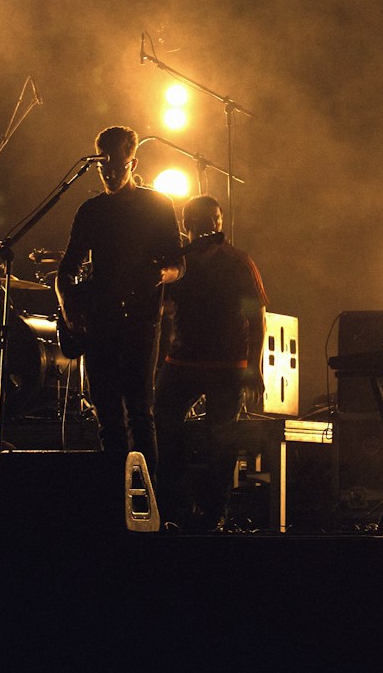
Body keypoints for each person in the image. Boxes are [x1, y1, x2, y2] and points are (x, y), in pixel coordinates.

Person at [56, 126, 183, 470]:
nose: (111, 174)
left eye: (119, 166)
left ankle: (149, 506)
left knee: (140, 412)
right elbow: (65, 269)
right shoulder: (92, 210)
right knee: (108, 415)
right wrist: (68, 306)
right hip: (101, 321)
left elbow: (178, 265)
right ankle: (114, 499)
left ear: (134, 163)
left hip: (143, 320)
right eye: (104, 167)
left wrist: (160, 275)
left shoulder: (157, 204)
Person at [153, 195, 268, 531]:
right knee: (160, 421)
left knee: (222, 439)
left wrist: (253, 368)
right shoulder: (178, 263)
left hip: (227, 364)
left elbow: (257, 319)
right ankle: (177, 505)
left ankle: (211, 513)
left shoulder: (238, 261)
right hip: (183, 360)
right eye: (205, 219)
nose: (213, 225)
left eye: (216, 218)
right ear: (188, 225)